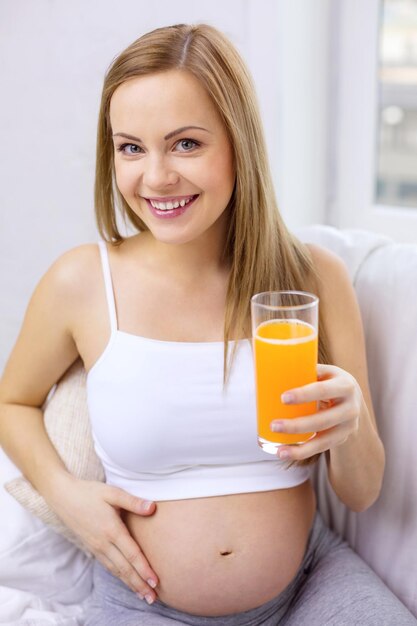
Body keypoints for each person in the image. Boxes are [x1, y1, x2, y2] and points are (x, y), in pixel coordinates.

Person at [0, 23, 415, 626]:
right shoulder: (81, 282)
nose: (157, 177)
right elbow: (12, 402)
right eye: (131, 148)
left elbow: (361, 492)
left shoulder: (315, 279)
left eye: (187, 144)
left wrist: (349, 425)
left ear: (238, 143)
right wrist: (70, 498)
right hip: (146, 602)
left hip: (311, 584)